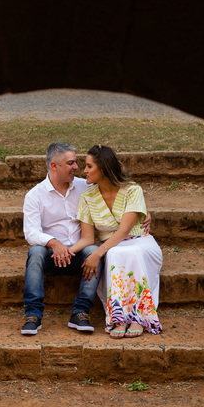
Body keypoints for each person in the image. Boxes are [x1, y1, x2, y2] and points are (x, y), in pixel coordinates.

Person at [70, 145, 163, 339]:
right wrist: (67, 251)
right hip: (112, 247)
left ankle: (138, 318)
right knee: (115, 253)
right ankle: (119, 318)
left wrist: (97, 253)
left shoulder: (132, 190)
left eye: (89, 166)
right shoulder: (87, 196)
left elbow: (124, 230)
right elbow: (87, 238)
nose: (84, 170)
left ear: (102, 168)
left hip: (140, 241)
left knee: (130, 253)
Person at [21, 142, 100, 335]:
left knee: (94, 251)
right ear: (54, 166)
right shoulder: (34, 195)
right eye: (71, 163)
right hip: (51, 256)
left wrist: (142, 211)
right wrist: (54, 243)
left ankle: (80, 312)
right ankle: (33, 315)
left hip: (79, 254)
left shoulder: (85, 186)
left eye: (76, 163)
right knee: (36, 251)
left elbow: (114, 194)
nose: (76, 167)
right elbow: (30, 232)